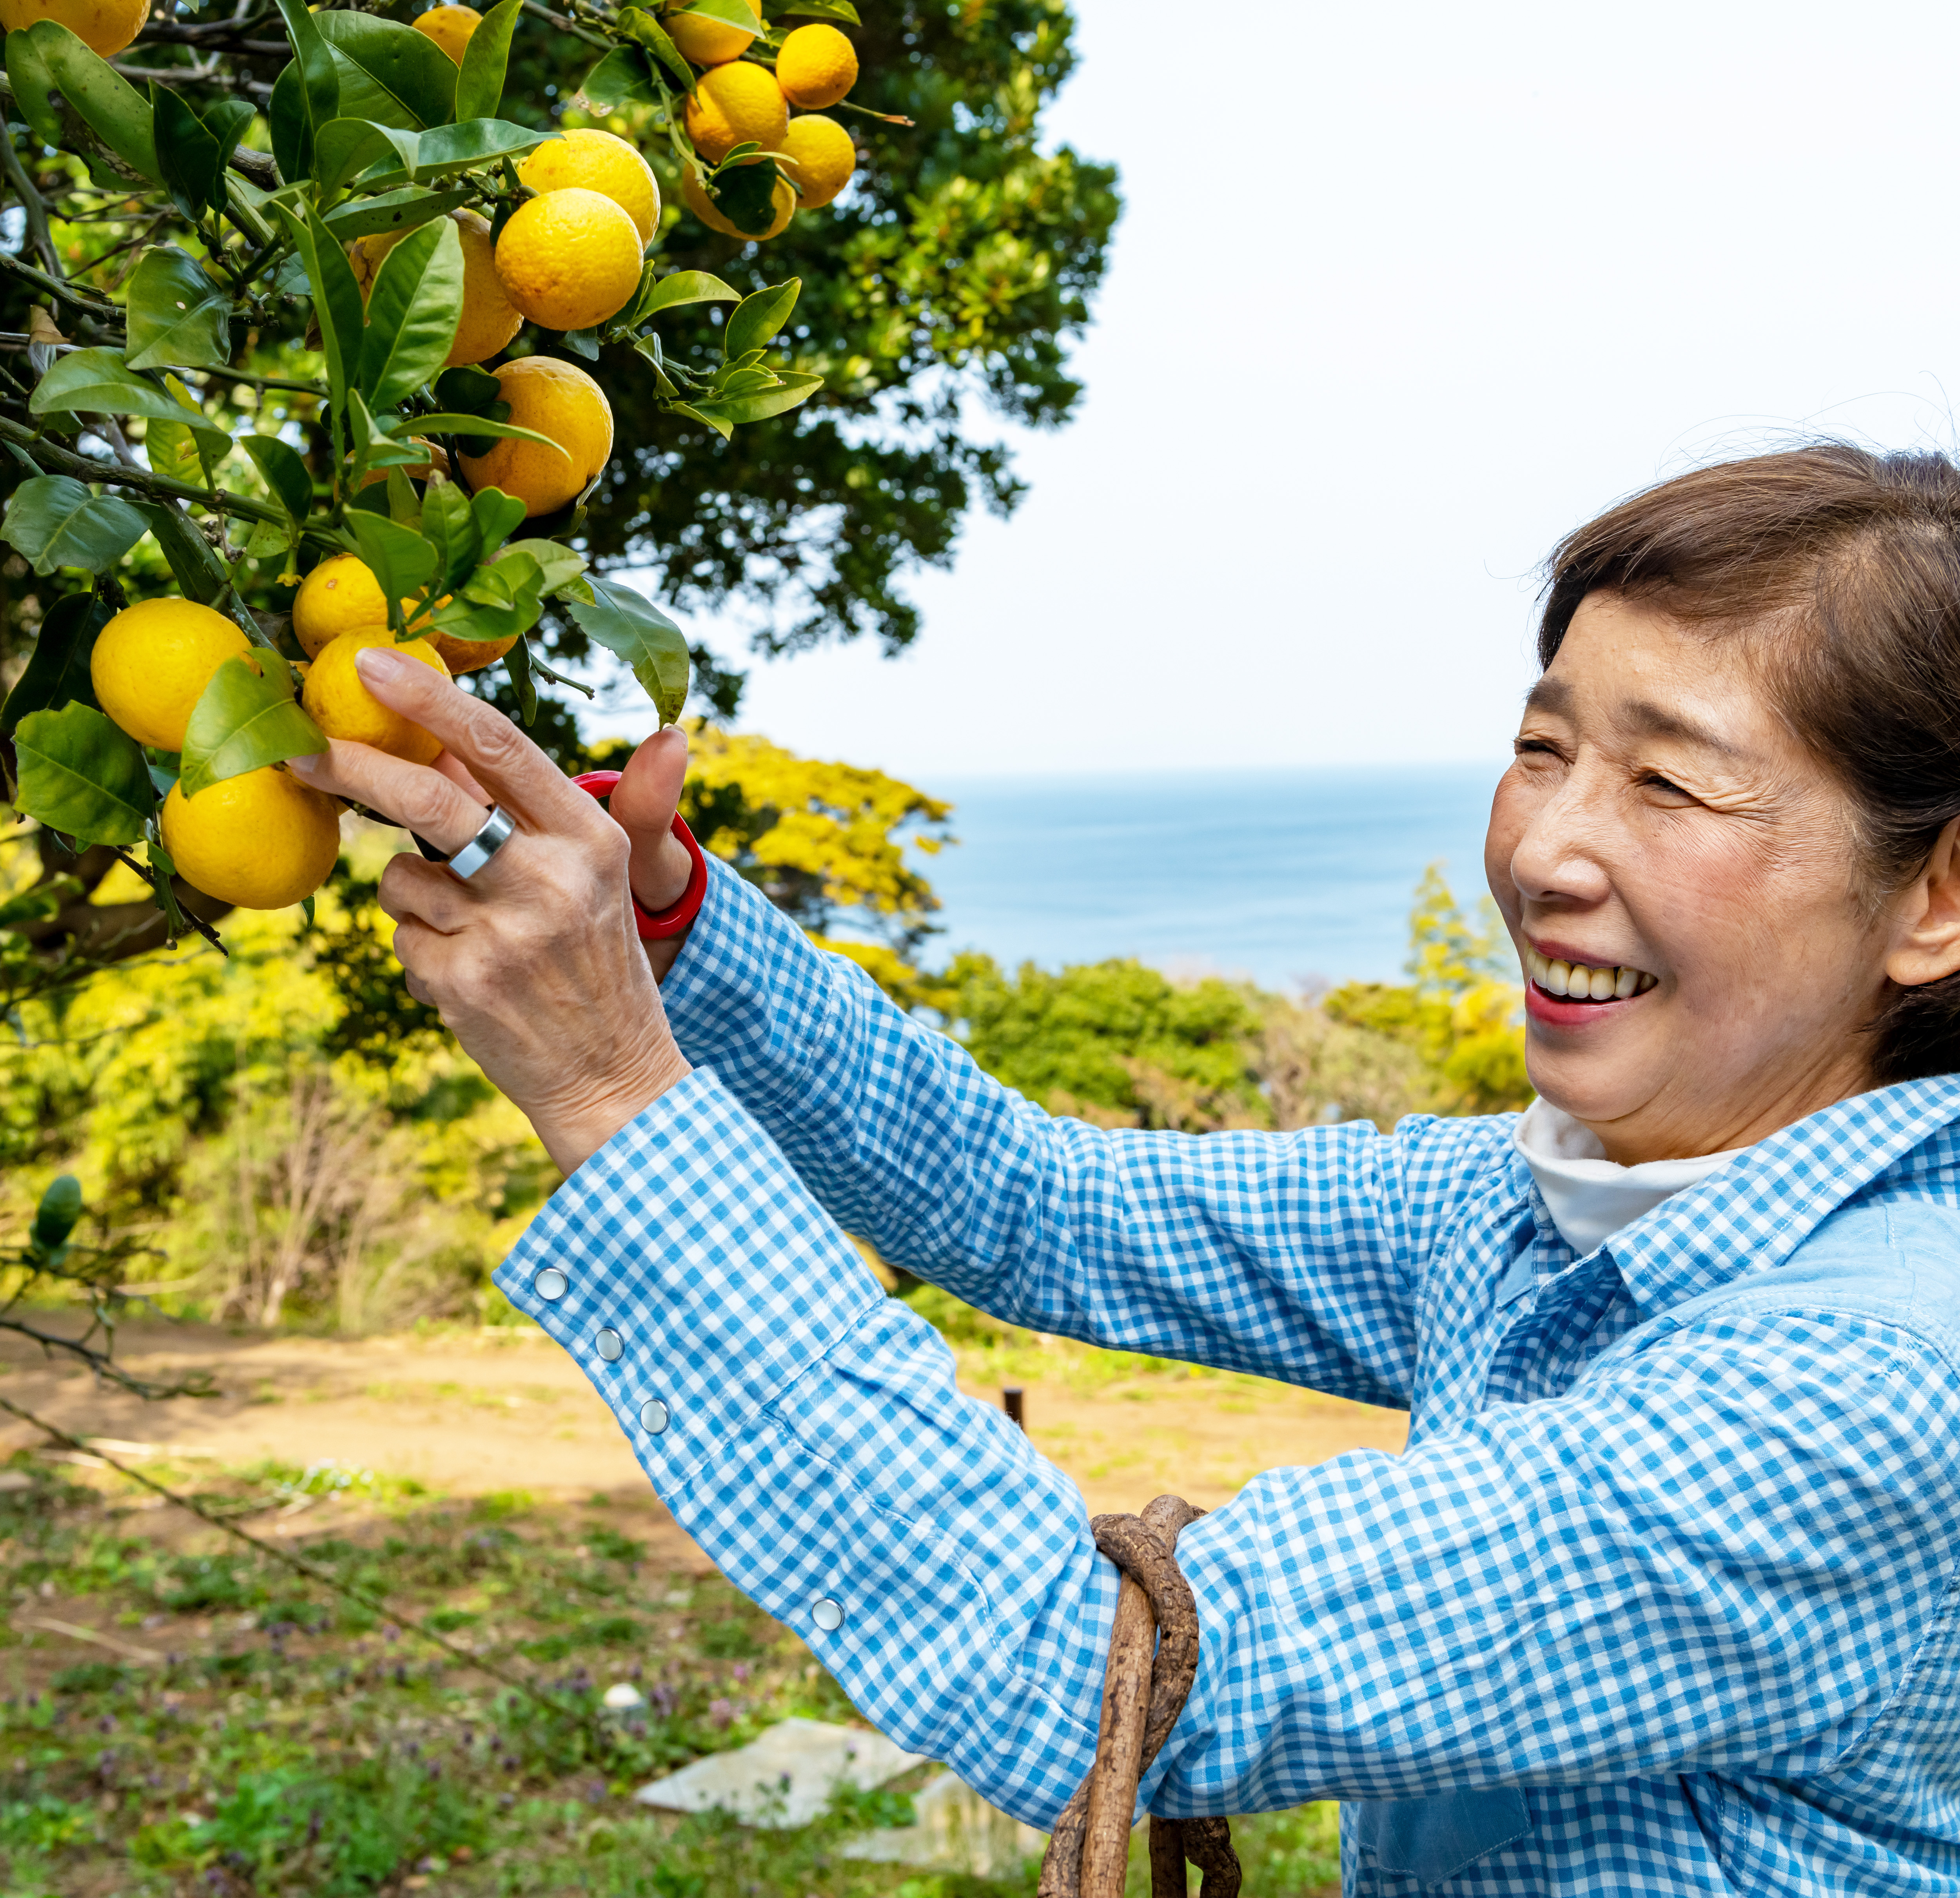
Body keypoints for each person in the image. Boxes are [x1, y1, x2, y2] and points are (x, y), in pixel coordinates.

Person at [289, 445, 1960, 1896]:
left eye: (1667, 780)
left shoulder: (1862, 1391)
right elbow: (1039, 1202)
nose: (1540, 849)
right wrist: (672, 935)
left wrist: (606, 1085)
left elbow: (1081, 1670)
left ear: (1931, 898)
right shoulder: (1548, 1196)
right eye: (1541, 748)